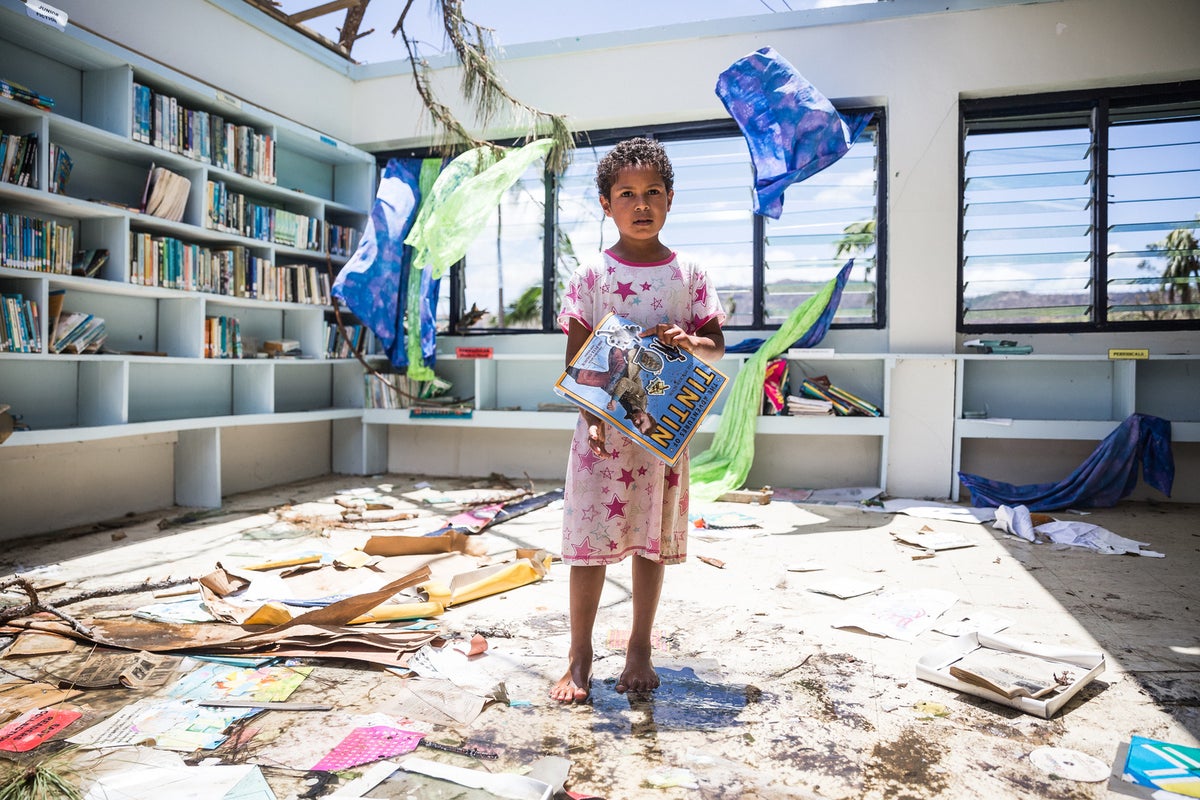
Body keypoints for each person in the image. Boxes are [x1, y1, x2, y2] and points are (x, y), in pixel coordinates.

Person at [551, 137, 726, 703]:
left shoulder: (691, 273)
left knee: (651, 541)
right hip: (601, 433)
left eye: (653, 192)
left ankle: (640, 648)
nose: (641, 204)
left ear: (670, 199)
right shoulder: (591, 275)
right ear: (607, 204)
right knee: (589, 541)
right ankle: (579, 654)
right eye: (627, 194)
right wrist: (592, 417)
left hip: (661, 434)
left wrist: (692, 341)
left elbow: (716, 347)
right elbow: (579, 359)